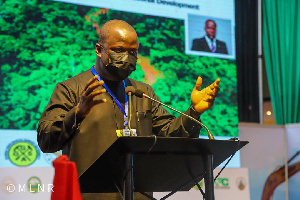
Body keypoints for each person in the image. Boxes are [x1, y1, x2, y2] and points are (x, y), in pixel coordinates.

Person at [37, 19, 220, 200]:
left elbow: (171, 135)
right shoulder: (70, 89)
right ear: (98, 50)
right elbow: (46, 141)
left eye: (132, 52)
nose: (126, 57)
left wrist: (194, 112)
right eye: (118, 50)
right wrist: (77, 113)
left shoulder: (142, 92)